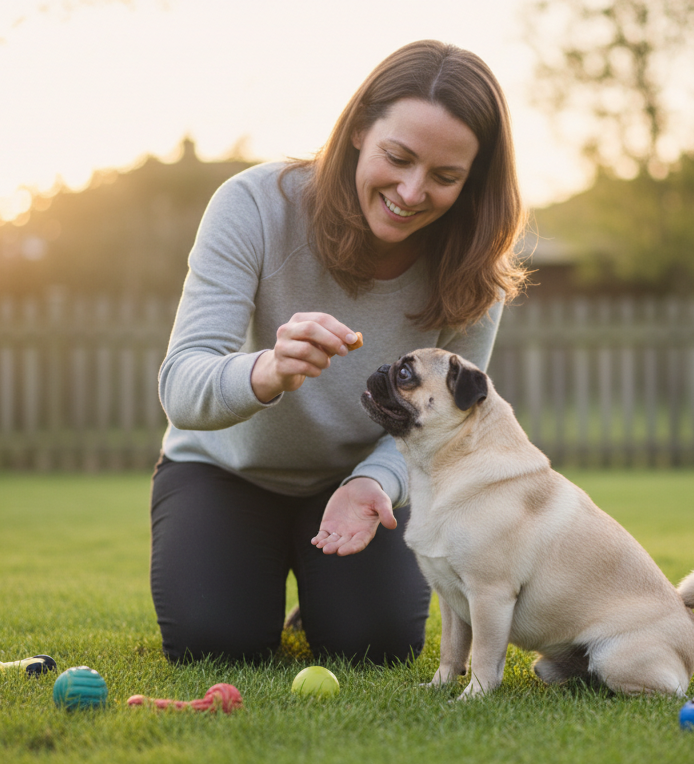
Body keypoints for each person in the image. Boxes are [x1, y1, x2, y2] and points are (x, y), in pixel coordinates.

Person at [150, 39, 528, 665]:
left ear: (474, 180)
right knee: (217, 644)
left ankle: (327, 588)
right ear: (357, 130)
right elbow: (181, 388)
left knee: (375, 647)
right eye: (398, 157)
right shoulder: (253, 207)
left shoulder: (473, 272)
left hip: (360, 484)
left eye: (445, 176)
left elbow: (446, 430)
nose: (410, 192)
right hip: (225, 472)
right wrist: (266, 370)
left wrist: (373, 481)